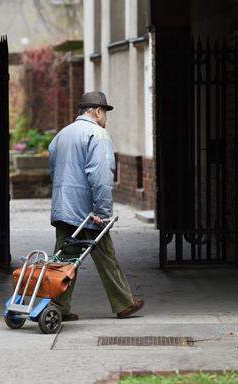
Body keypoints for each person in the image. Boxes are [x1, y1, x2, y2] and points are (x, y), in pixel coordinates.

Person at [48, 91, 145, 321]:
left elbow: (54, 169)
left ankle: (57, 307)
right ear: (98, 111)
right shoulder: (97, 134)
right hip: (87, 213)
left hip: (63, 207)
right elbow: (100, 176)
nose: (106, 118)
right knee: (106, 256)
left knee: (63, 260)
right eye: (105, 113)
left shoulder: (61, 135)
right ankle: (124, 303)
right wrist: (102, 211)